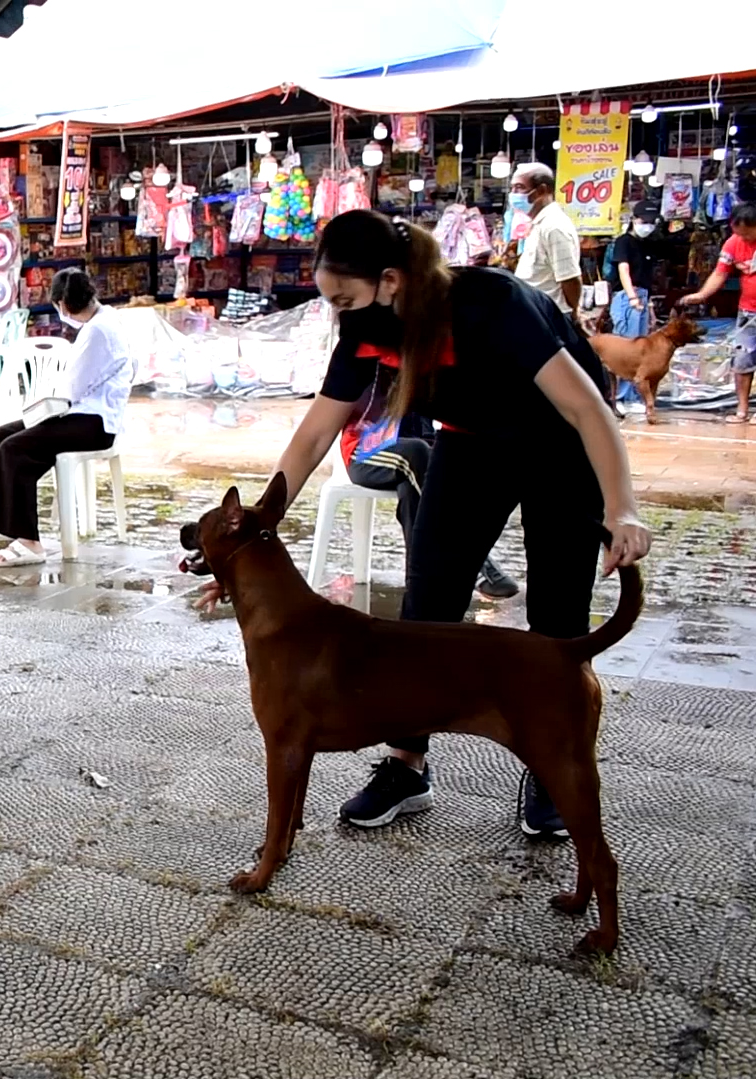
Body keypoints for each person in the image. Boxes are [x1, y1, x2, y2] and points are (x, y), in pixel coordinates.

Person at [199, 210, 651, 838]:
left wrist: (622, 507)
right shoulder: (364, 329)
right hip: (470, 446)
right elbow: (313, 435)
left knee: (559, 616)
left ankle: (551, 771)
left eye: (343, 298)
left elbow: (587, 408)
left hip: (561, 445)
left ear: (390, 280)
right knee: (428, 600)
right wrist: (255, 524)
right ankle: (406, 762)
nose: (338, 313)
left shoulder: (491, 303)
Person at [0, 269, 129, 568]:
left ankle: (29, 541)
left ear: (62, 306)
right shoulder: (102, 322)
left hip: (93, 422)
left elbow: (72, 388)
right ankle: (9, 527)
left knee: (13, 448)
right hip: (79, 414)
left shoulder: (98, 331)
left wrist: (44, 403)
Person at [337, 388, 517, 600]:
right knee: (417, 454)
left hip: (420, 450)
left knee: (418, 480)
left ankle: (418, 595)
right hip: (366, 449)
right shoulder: (373, 359)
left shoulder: (430, 359)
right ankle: (476, 562)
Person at [680, 202, 756, 424]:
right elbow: (720, 273)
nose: (743, 239)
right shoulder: (733, 243)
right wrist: (702, 295)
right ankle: (742, 410)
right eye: (739, 234)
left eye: (747, 234)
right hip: (749, 310)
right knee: (742, 360)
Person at [510, 162, 582, 317]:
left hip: (550, 315)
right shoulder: (539, 223)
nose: (513, 194)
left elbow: (570, 279)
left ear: (542, 190)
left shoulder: (554, 226)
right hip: (534, 312)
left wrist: (574, 314)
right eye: (512, 188)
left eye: (519, 187)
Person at [609, 200, 663, 341]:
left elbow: (646, 277)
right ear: (634, 219)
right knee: (627, 343)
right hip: (627, 295)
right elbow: (623, 270)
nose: (648, 225)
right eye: (644, 221)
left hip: (643, 296)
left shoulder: (647, 244)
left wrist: (649, 307)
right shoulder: (624, 241)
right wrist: (632, 297)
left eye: (651, 222)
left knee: (640, 343)